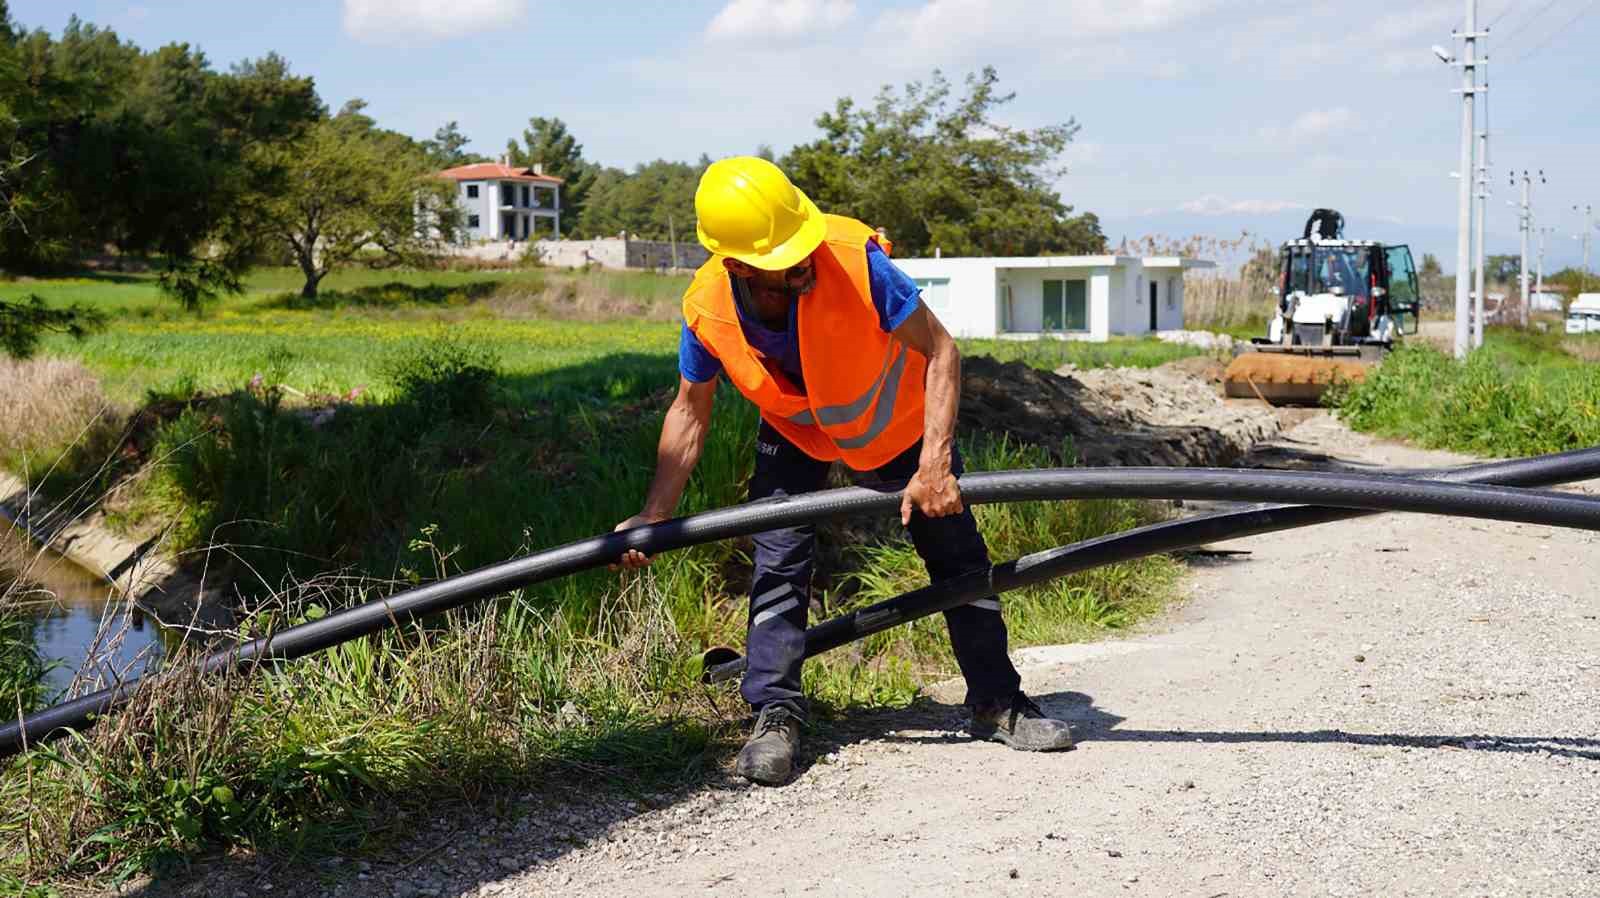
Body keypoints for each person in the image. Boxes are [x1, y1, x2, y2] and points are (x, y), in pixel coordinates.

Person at [614, 157, 1073, 786]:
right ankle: (775, 712)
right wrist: (655, 512)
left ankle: (998, 700)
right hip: (797, 430)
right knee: (777, 558)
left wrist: (936, 462)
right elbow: (689, 410)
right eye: (784, 262)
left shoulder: (855, 259)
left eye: (801, 248)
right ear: (739, 265)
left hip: (901, 427)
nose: (804, 263)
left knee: (959, 556)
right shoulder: (707, 306)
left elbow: (941, 351)